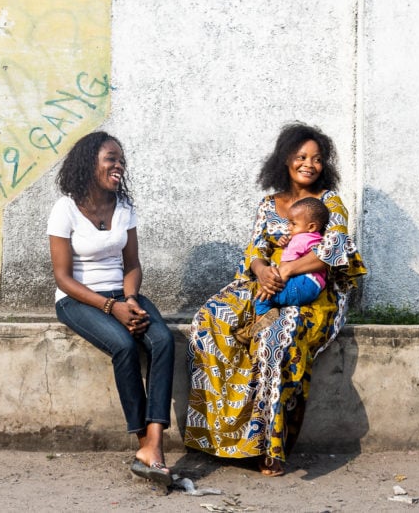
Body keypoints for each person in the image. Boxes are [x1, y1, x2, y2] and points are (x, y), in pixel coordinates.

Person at [185, 122, 366, 477]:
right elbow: (255, 250)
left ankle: (271, 448)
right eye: (301, 157)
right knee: (210, 320)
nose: (309, 164)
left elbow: (332, 252)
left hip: (313, 294)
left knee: (276, 336)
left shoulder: (330, 203)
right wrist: (261, 269)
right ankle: (224, 438)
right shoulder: (269, 204)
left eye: (316, 158)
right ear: (285, 159)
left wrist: (284, 271)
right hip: (267, 284)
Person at [48, 131, 176, 487]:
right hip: (78, 299)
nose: (118, 165)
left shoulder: (124, 207)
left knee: (163, 340)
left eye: (121, 160)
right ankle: (144, 445)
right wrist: (110, 307)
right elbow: (62, 277)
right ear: (90, 164)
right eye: (110, 159)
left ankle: (154, 444)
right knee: (122, 345)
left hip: (123, 294)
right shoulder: (65, 209)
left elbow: (132, 264)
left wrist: (130, 299)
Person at [234, 196, 330, 345]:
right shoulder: (315, 237)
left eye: (293, 223)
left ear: (311, 226)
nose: (288, 227)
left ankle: (256, 328)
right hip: (315, 285)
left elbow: (286, 266)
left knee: (263, 296)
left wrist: (272, 283)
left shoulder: (299, 240)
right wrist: (286, 244)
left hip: (302, 284)